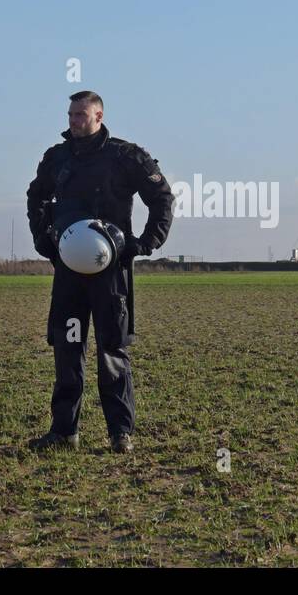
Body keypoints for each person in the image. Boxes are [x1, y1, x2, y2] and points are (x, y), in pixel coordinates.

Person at [25, 90, 174, 453]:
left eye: (80, 115)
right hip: (69, 277)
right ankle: (64, 433)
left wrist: (145, 243)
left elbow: (162, 199)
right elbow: (36, 196)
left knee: (112, 351)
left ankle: (120, 434)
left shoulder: (125, 157)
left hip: (110, 277)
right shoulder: (57, 158)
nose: (73, 121)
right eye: (70, 114)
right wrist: (42, 238)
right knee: (68, 348)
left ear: (99, 116)